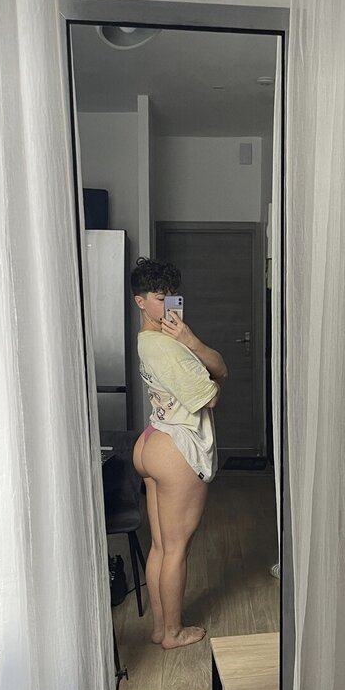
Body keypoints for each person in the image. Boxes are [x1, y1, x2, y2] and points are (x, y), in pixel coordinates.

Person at [130, 257, 228, 648]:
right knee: (176, 550)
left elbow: (216, 370)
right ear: (140, 302)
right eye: (159, 297)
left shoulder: (150, 340)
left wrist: (189, 339)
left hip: (152, 439)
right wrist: (201, 361)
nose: (169, 303)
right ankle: (173, 632)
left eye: (173, 295)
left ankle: (160, 628)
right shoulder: (167, 348)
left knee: (160, 546)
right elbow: (214, 389)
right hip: (176, 447)